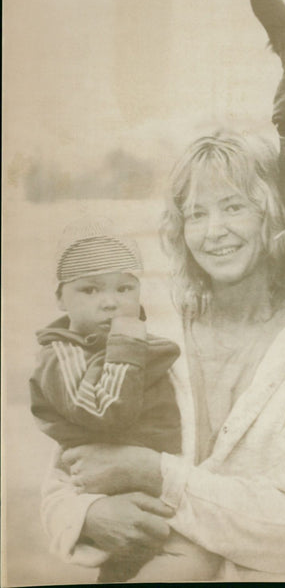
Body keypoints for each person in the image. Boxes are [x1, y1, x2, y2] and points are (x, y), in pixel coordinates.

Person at [40, 131, 285, 581]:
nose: (213, 231)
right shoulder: (145, 326)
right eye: (196, 214)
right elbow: (66, 471)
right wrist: (91, 514)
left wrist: (159, 477)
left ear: (274, 213)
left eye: (234, 206)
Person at [29, 217, 210, 582]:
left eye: (124, 288)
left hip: (169, 493)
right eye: (90, 290)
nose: (110, 303)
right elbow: (105, 413)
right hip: (122, 502)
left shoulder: (141, 342)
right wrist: (128, 346)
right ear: (61, 298)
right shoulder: (61, 355)